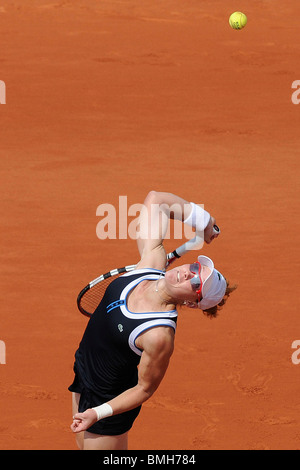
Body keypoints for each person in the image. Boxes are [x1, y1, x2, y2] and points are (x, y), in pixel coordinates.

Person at [69, 191, 235, 450]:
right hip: (84, 369)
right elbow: (157, 200)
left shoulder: (159, 335)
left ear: (191, 303)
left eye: (194, 283)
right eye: (194, 268)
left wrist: (98, 412)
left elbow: (145, 389)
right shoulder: (151, 262)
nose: (185, 273)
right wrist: (203, 222)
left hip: (108, 400)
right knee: (81, 445)